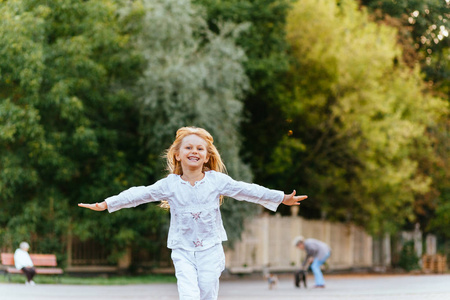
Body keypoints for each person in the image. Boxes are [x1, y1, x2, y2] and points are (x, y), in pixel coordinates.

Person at [79, 126, 308, 300]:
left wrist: (281, 197)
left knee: (207, 291)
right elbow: (139, 194)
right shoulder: (169, 185)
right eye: (188, 147)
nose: (194, 151)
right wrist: (108, 203)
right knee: (188, 295)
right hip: (182, 250)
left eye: (200, 148)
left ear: (207, 157)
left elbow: (246, 190)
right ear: (177, 154)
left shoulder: (216, 181)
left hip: (210, 248)